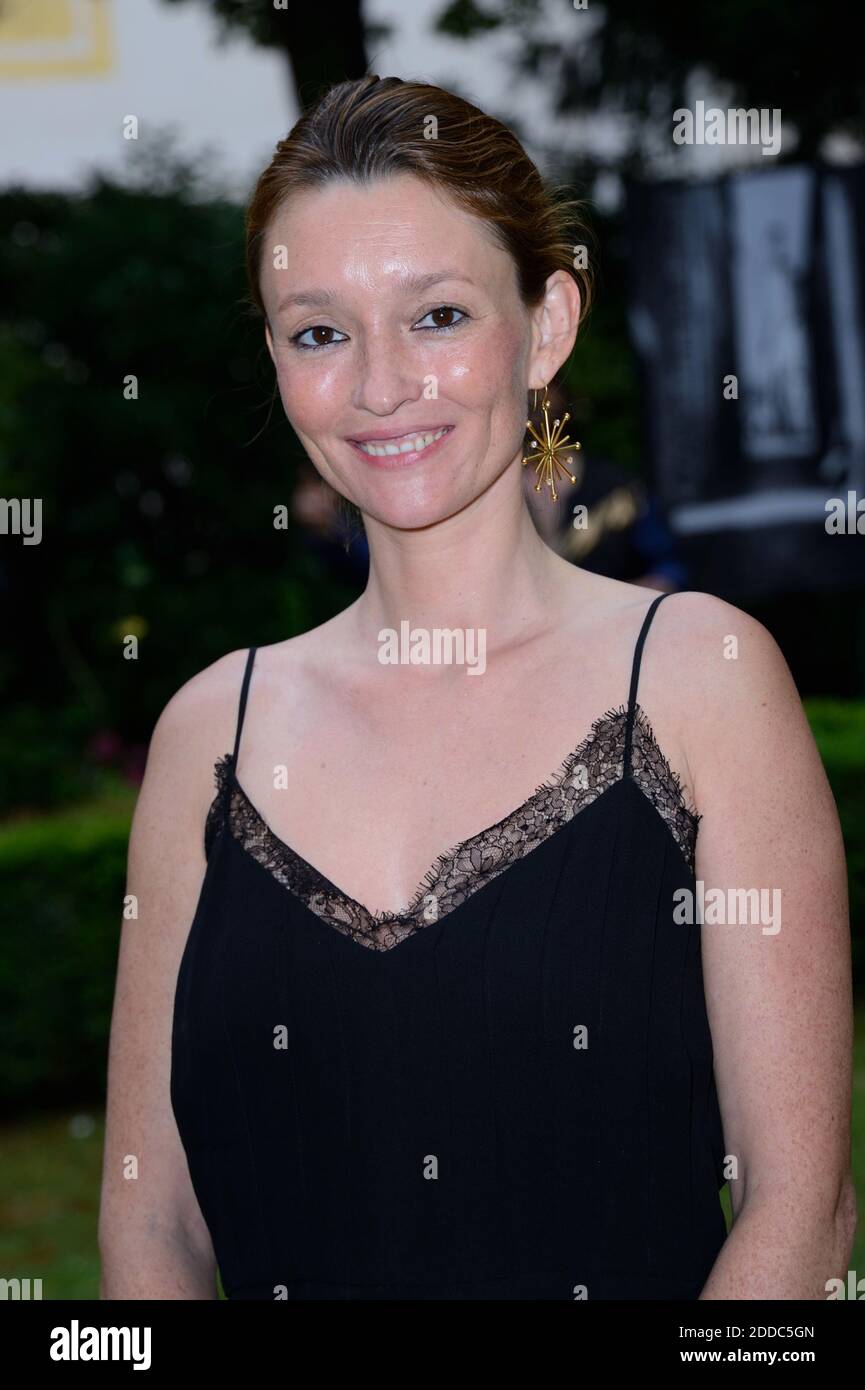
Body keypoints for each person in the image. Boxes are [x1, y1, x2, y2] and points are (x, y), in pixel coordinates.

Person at [98, 75, 856, 1300]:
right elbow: (152, 1232)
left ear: (548, 321)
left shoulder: (700, 679)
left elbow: (801, 1212)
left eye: (438, 315)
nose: (380, 385)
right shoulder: (208, 733)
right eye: (319, 331)